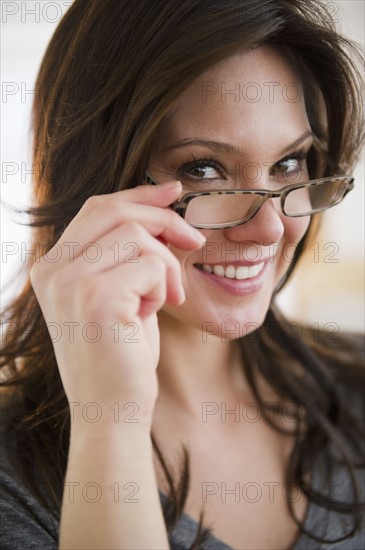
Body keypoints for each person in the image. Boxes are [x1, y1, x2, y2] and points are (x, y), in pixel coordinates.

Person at [1, 0, 364, 549]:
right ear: (94, 181)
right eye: (204, 170)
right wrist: (111, 425)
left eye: (289, 163)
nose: (269, 230)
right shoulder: (13, 485)